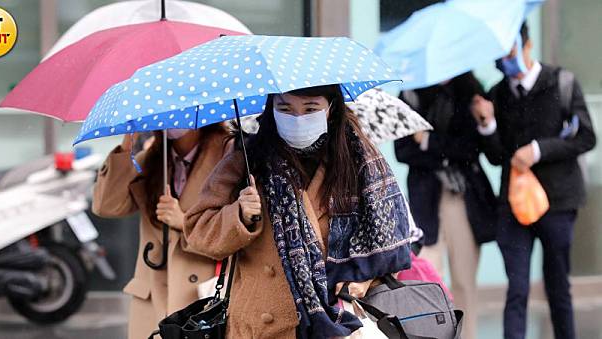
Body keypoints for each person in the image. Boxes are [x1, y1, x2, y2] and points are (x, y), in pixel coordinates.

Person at [183, 84, 412, 339]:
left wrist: (365, 282)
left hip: (338, 323)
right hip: (258, 324)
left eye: (310, 108)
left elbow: (388, 244)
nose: (298, 119)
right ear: (272, 109)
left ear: (331, 108)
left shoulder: (359, 164)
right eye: (285, 108)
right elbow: (199, 230)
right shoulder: (246, 159)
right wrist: (239, 215)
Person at [470, 23, 596, 339]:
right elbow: (497, 157)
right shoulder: (497, 94)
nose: (505, 63)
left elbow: (586, 138)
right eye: (499, 58)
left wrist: (539, 150)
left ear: (527, 46)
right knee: (517, 288)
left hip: (559, 201)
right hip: (513, 206)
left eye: (510, 53)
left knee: (558, 286)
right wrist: (487, 125)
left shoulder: (562, 82)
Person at [92, 124, 231, 339]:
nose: (172, 119)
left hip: (200, 301)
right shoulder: (151, 159)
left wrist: (183, 221)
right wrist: (127, 144)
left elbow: (236, 231)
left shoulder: (228, 155)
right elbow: (106, 206)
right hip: (152, 301)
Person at [395, 72, 497, 339]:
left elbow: (471, 148)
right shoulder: (411, 96)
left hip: (462, 198)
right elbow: (403, 151)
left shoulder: (471, 92)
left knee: (464, 282)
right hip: (425, 201)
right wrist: (442, 152)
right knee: (429, 283)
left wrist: (428, 142)